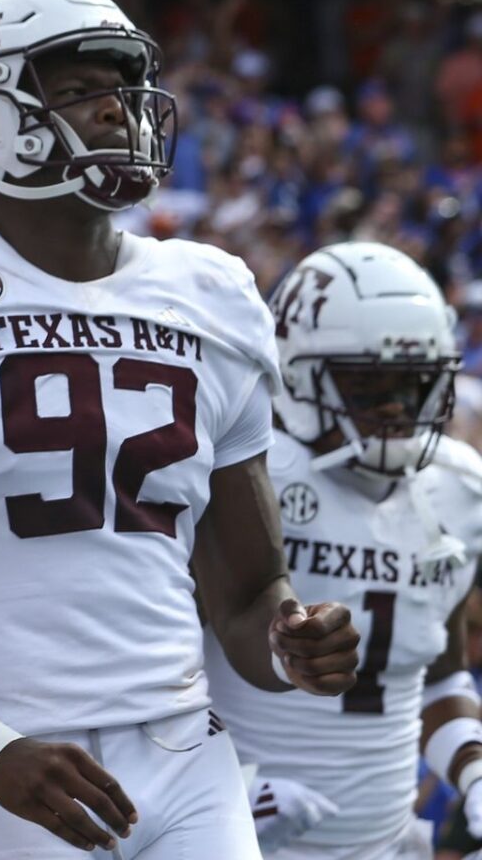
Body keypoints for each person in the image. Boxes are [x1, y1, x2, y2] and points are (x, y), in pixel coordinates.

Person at [0, 0, 363, 858]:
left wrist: (293, 645)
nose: (117, 110)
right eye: (76, 88)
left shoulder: (208, 294)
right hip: (15, 767)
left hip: (188, 751)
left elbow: (248, 599)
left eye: (123, 85)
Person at [208, 243, 481, 860]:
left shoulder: (459, 489)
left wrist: (472, 770)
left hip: (385, 844)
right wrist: (205, 790)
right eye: (367, 386)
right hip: (235, 840)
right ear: (298, 375)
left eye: (414, 387)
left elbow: (438, 676)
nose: (395, 410)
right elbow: (160, 667)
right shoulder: (251, 474)